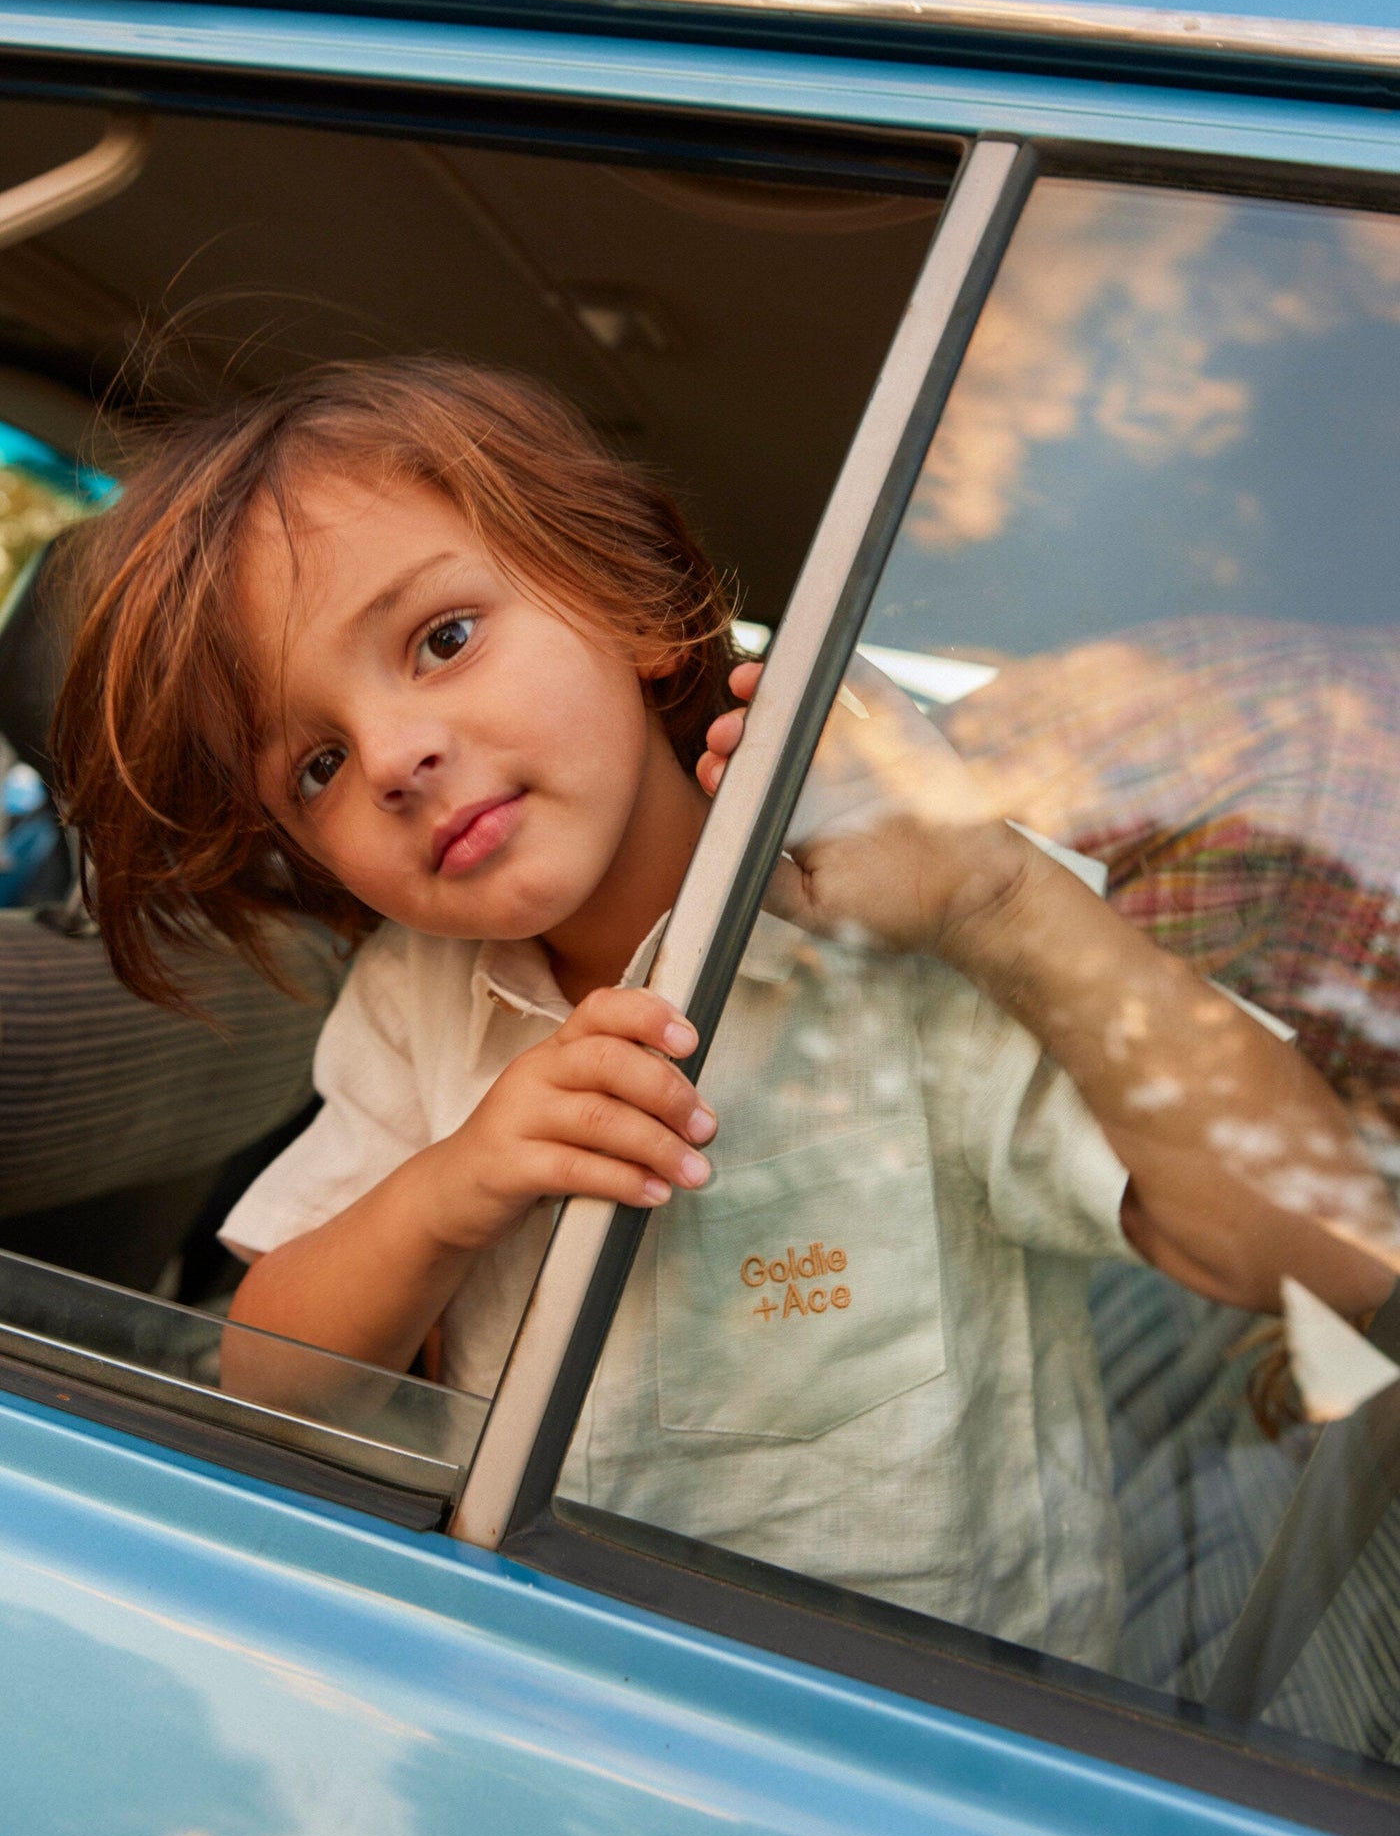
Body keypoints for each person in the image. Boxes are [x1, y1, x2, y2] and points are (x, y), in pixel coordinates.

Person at [49, 357, 1400, 1668]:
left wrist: (998, 900)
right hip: (547, 1691)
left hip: (940, 1737)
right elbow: (268, 1381)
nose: (395, 757)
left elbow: (1338, 1252)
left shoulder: (919, 933)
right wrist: (451, 1189)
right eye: (317, 764)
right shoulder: (415, 1003)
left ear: (635, 611)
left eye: (442, 638)